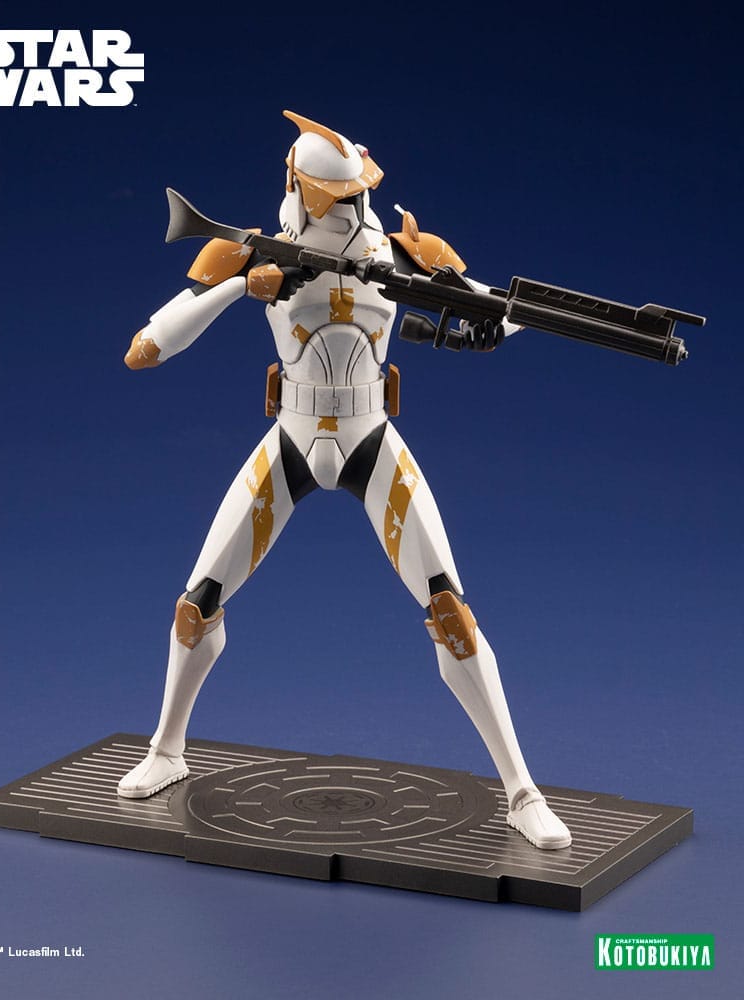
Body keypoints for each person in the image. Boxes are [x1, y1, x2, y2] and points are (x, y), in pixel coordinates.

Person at [117, 110, 571, 850]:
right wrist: (244, 286)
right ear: (300, 190)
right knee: (196, 607)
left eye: (357, 198)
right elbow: (145, 348)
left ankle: (522, 792)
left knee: (451, 612)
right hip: (293, 439)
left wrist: (490, 316)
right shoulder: (250, 253)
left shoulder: (403, 255)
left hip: (370, 439)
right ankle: (167, 751)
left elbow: (501, 309)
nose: (351, 212)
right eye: (339, 199)